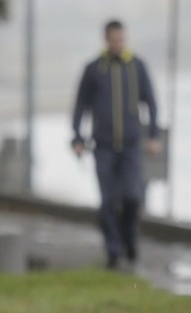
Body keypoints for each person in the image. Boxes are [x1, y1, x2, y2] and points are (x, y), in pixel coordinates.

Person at [71, 19, 160, 270]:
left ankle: (128, 238)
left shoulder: (137, 66)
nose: (118, 43)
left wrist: (153, 136)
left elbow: (151, 103)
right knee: (108, 201)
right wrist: (77, 137)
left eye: (122, 39)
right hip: (103, 146)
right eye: (114, 39)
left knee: (132, 197)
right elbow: (80, 105)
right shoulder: (94, 69)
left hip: (131, 146)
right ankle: (113, 251)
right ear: (107, 40)